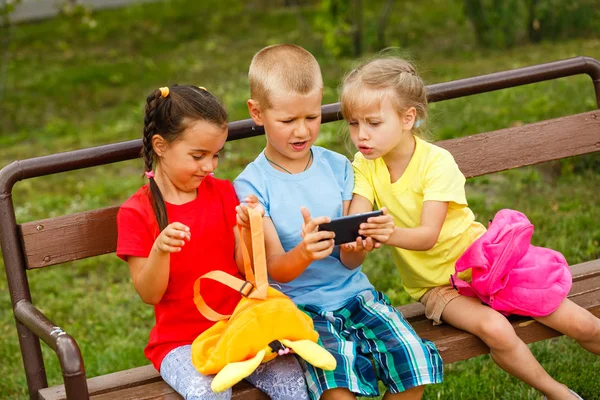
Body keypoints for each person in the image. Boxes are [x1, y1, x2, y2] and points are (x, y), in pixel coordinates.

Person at [339, 56, 600, 400]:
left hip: (487, 266)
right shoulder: (365, 165)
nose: (361, 135)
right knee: (497, 330)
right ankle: (560, 394)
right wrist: (356, 239)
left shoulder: (436, 163)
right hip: (438, 287)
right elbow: (357, 220)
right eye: (353, 123)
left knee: (583, 324)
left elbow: (428, 235)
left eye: (372, 123)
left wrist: (387, 233)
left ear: (408, 118)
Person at [234, 44, 443, 400]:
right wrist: (303, 252)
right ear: (257, 112)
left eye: (312, 117)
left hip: (356, 295)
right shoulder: (252, 185)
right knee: (338, 385)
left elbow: (350, 260)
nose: (302, 131)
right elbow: (272, 270)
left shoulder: (339, 167)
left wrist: (357, 246)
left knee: (414, 362)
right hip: (300, 309)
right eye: (288, 121)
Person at [116, 85, 308, 400]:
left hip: (240, 327)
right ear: (161, 146)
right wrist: (160, 250)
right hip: (178, 343)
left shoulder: (220, 193)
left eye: (216, 154)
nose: (210, 166)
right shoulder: (136, 212)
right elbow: (149, 294)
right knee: (209, 393)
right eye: (198, 155)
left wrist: (249, 228)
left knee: (292, 382)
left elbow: (246, 270)